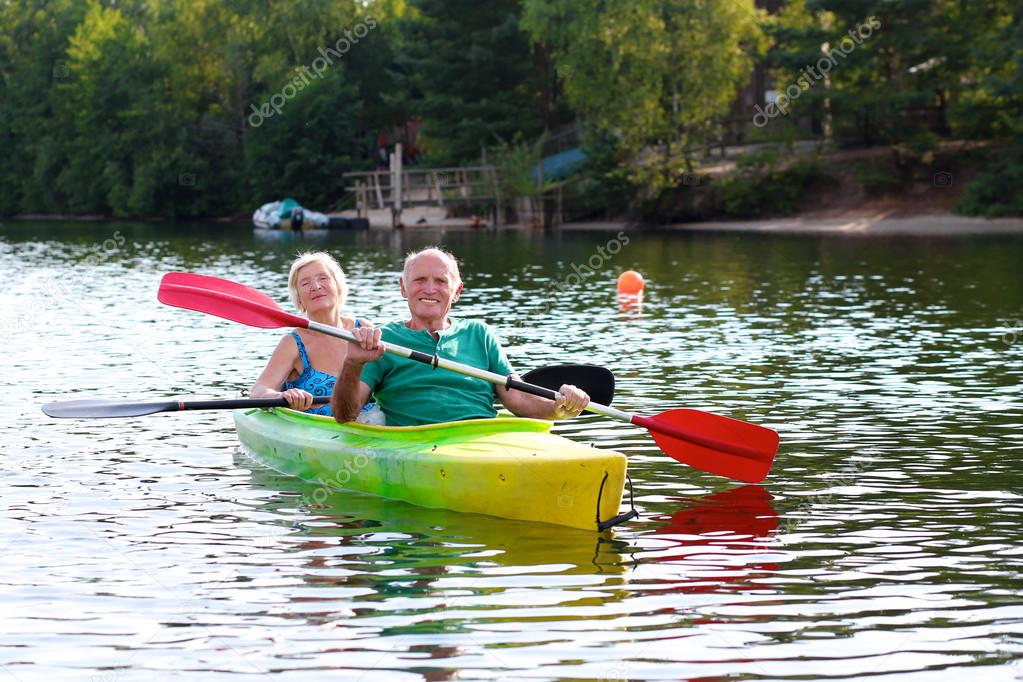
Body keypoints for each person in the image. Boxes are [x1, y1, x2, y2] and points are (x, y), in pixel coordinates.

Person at [331, 247, 589, 426]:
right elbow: (345, 414)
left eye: (441, 281)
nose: (430, 289)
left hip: (482, 441)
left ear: (457, 291)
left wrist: (559, 406)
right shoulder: (383, 341)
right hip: (417, 445)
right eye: (420, 279)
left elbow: (518, 398)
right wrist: (352, 363)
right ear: (403, 287)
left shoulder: (480, 334)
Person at [251, 251, 379, 420]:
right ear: (299, 298)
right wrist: (282, 397)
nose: (316, 286)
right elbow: (259, 390)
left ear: (338, 286)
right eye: (305, 283)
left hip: (371, 428)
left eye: (323, 278)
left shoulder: (363, 330)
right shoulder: (294, 343)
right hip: (318, 434)